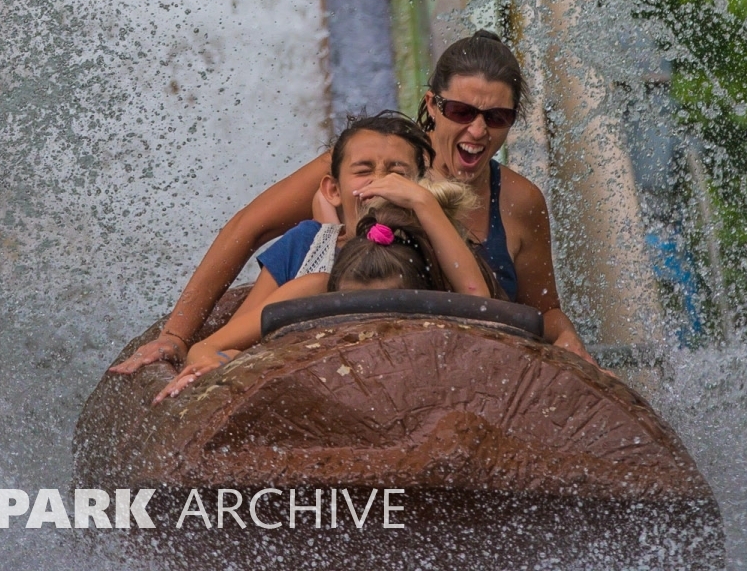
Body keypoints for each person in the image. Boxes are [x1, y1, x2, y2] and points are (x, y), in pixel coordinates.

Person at [111, 30, 592, 375]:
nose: (478, 130)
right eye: (462, 111)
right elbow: (249, 228)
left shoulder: (519, 200)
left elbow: (538, 308)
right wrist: (178, 337)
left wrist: (566, 336)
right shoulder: (361, 167)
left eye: (497, 117)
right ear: (432, 105)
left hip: (458, 369)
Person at [152, 114, 488, 400]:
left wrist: (424, 204)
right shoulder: (314, 283)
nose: (380, 182)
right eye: (364, 170)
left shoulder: (432, 255)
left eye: (396, 173)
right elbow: (225, 342)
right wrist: (221, 360)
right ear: (333, 189)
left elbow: (479, 305)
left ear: (417, 186)